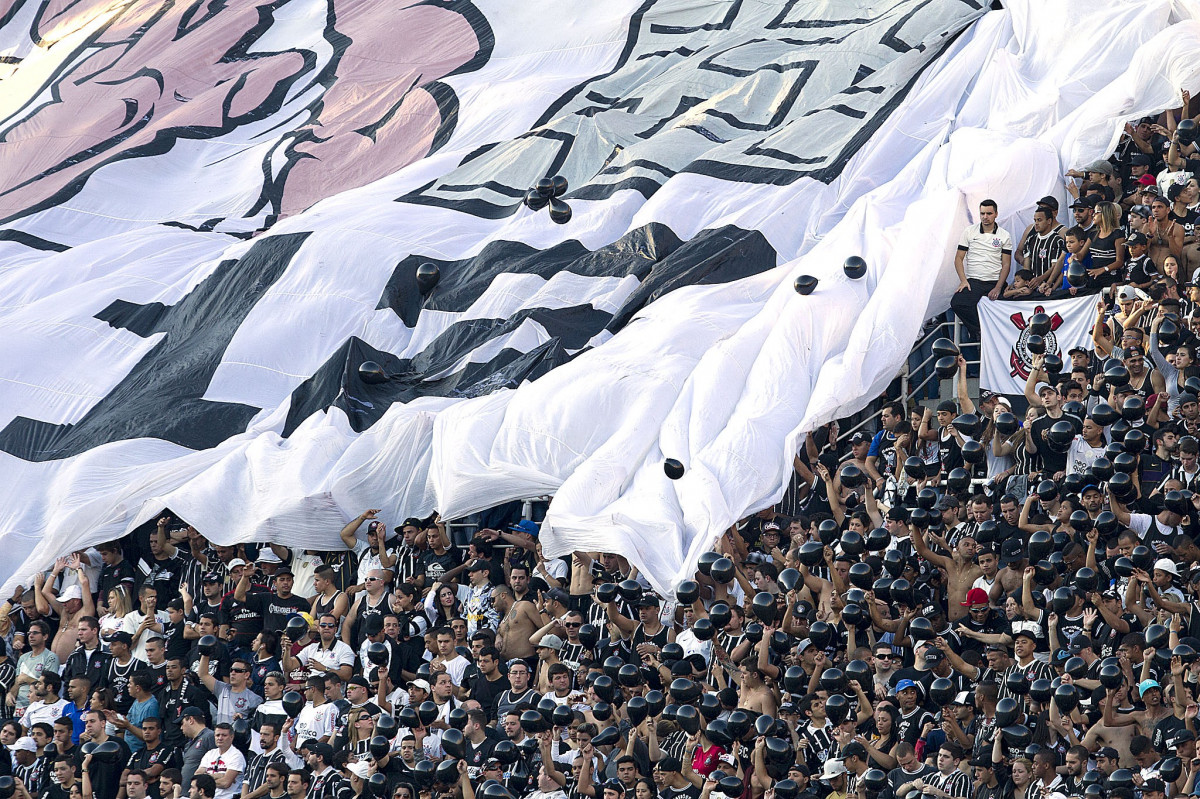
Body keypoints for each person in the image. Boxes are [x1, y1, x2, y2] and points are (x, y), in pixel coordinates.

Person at [951, 200, 1014, 335]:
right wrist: (963, 280)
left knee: (1008, 309)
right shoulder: (969, 231)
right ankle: (980, 332)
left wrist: (998, 287)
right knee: (957, 303)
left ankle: (993, 335)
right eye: (982, 213)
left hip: (994, 281)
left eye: (989, 213)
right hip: (974, 281)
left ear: (996, 214)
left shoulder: (1004, 235)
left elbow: (1006, 264)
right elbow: (958, 258)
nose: (985, 217)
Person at [196, 723, 246, 799]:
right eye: (217, 735)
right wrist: (219, 775)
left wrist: (205, 779)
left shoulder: (236, 755)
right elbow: (197, 776)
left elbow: (225, 783)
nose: (220, 738)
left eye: (224, 735)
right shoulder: (210, 753)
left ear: (231, 737)